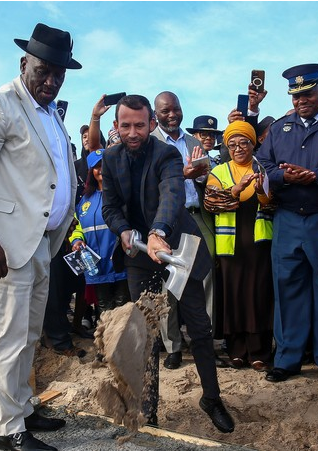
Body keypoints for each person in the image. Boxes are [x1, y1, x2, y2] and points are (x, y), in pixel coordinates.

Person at [0, 23, 80, 451]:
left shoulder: (50, 113)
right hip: (4, 245)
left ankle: (22, 407)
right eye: (43, 70)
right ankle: (7, 430)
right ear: (24, 63)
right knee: (6, 337)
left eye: (58, 74)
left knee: (28, 333)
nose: (50, 80)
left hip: (41, 241)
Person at [100, 94, 234, 433]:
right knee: (144, 331)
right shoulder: (111, 158)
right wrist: (124, 230)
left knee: (199, 327)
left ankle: (212, 398)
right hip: (139, 255)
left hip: (176, 247)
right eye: (126, 125)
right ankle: (148, 405)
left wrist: (159, 232)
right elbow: (110, 208)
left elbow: (173, 193)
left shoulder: (167, 154)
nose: (133, 132)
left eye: (140, 125)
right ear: (116, 126)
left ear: (151, 124)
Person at [255, 63, 318, 390]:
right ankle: (287, 359)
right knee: (287, 289)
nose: (301, 101)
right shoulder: (280, 128)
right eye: (296, 97)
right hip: (287, 219)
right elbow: (263, 165)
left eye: (307, 94)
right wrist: (283, 176)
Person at [151, 91, 216, 370]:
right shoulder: (150, 142)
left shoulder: (192, 141)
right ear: (156, 115)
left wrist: (201, 172)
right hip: (165, 219)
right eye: (165, 111)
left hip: (196, 215)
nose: (172, 114)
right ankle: (173, 346)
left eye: (176, 109)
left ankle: (204, 339)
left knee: (205, 276)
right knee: (168, 283)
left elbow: (206, 175)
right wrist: (183, 175)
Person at [204, 121, 274, 371]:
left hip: (258, 245)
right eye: (232, 144)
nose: (238, 148)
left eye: (243, 142)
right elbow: (211, 203)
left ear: (253, 144)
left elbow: (272, 205)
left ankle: (259, 352)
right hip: (229, 247)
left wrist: (263, 193)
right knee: (232, 297)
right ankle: (236, 351)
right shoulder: (219, 172)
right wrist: (236, 190)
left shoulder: (263, 168)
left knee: (257, 296)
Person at [69, 149, 128, 314]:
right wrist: (76, 241)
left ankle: (122, 340)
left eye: (105, 165)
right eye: (96, 166)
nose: (101, 169)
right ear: (91, 172)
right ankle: (107, 340)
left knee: (122, 310)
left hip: (120, 264)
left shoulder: (122, 194)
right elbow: (77, 227)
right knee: (104, 310)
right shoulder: (84, 200)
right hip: (95, 265)